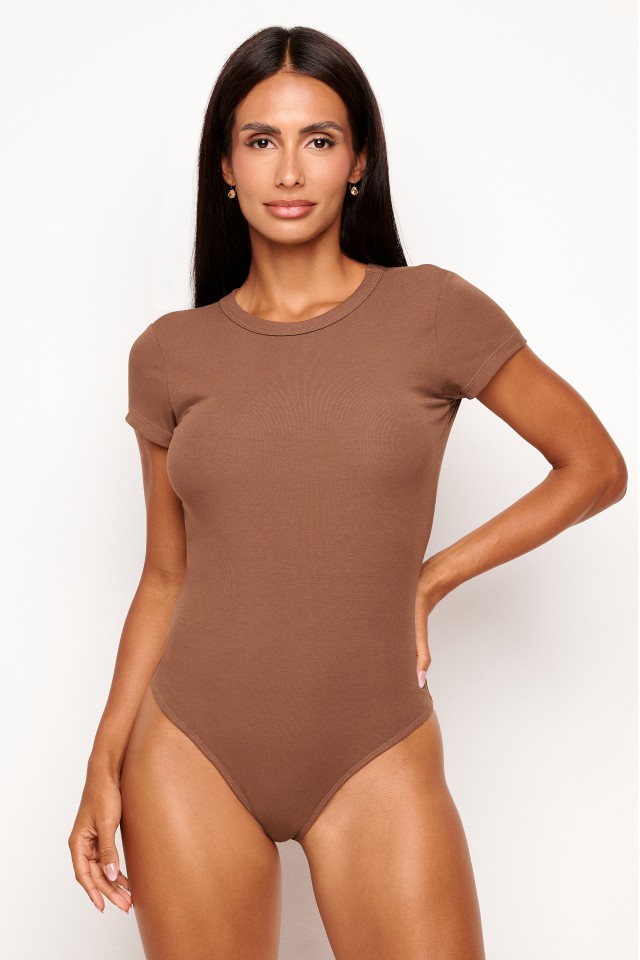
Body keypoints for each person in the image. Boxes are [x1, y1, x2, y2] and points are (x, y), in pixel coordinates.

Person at [68, 24, 628, 960]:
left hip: (376, 743)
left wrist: (431, 578)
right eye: (262, 140)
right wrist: (103, 758)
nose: (289, 171)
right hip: (189, 745)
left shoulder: (434, 312)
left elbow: (595, 467)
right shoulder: (168, 354)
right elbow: (165, 577)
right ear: (226, 167)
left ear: (359, 162)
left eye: (318, 140)